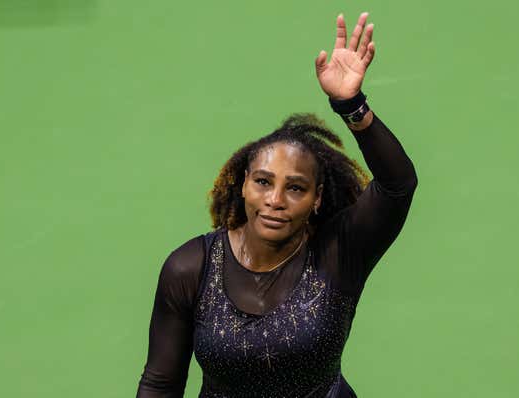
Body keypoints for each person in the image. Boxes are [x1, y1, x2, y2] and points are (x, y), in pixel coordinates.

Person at [136, 12, 418, 398]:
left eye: (296, 188)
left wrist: (351, 105)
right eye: (263, 182)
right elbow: (161, 383)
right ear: (243, 186)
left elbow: (398, 185)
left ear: (317, 199)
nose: (275, 200)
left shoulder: (339, 252)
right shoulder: (190, 268)